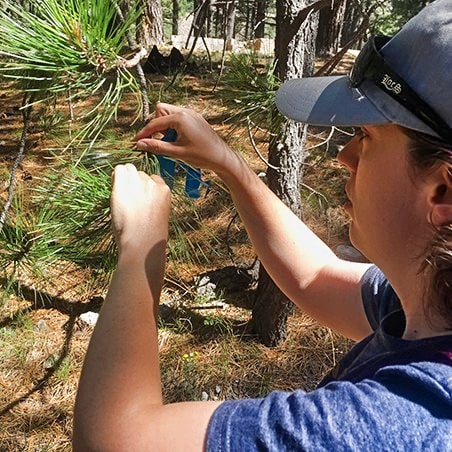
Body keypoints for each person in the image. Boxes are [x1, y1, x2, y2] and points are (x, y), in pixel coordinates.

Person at [73, 1, 452, 450]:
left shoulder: (398, 420)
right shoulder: (431, 303)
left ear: (442, 192)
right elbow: (316, 278)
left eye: (367, 136)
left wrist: (142, 248)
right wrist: (228, 163)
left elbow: (114, 440)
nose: (343, 156)